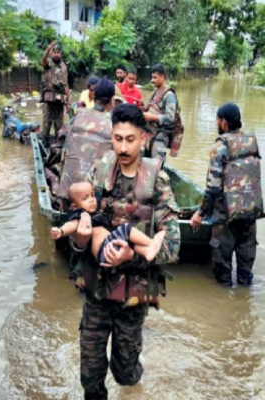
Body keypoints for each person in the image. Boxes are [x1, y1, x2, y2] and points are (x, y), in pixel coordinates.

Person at [73, 104, 180, 399]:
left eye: (129, 139)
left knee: (125, 373)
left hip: (132, 297)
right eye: (117, 138)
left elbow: (172, 243)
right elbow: (78, 222)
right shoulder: (99, 171)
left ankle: (136, 376)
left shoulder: (157, 180)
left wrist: (131, 255)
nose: (122, 147)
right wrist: (80, 240)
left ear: (143, 138)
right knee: (90, 376)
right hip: (97, 291)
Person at [190, 102, 264, 286]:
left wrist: (200, 213)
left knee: (223, 276)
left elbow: (213, 187)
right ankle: (244, 304)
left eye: (217, 120)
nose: (217, 123)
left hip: (225, 215)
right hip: (249, 210)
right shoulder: (251, 140)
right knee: (246, 276)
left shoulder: (220, 145)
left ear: (224, 123)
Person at [51, 181, 167, 264]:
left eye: (92, 195)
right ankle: (151, 244)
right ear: (74, 206)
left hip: (109, 247)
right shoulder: (81, 215)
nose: (92, 199)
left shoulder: (96, 214)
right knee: (126, 228)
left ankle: (146, 251)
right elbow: (71, 225)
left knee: (128, 241)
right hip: (104, 250)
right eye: (85, 198)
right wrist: (61, 231)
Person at [58, 78, 116, 204]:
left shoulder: (77, 116)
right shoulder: (113, 125)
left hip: (67, 192)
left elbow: (62, 148)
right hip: (93, 200)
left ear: (94, 96)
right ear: (112, 101)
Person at [143, 64, 179, 160]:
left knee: (157, 165)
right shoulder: (155, 92)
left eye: (155, 77)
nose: (152, 80)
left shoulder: (169, 96)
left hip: (160, 136)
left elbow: (170, 118)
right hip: (149, 133)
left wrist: (152, 117)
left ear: (162, 77)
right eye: (152, 77)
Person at [40, 41, 70, 146]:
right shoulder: (48, 64)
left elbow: (66, 85)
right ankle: (44, 146)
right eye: (54, 52)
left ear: (60, 54)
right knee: (46, 127)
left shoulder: (64, 67)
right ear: (51, 53)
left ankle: (57, 151)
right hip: (49, 102)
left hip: (59, 102)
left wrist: (68, 103)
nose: (56, 54)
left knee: (59, 128)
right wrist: (48, 48)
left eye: (58, 52)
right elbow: (43, 61)